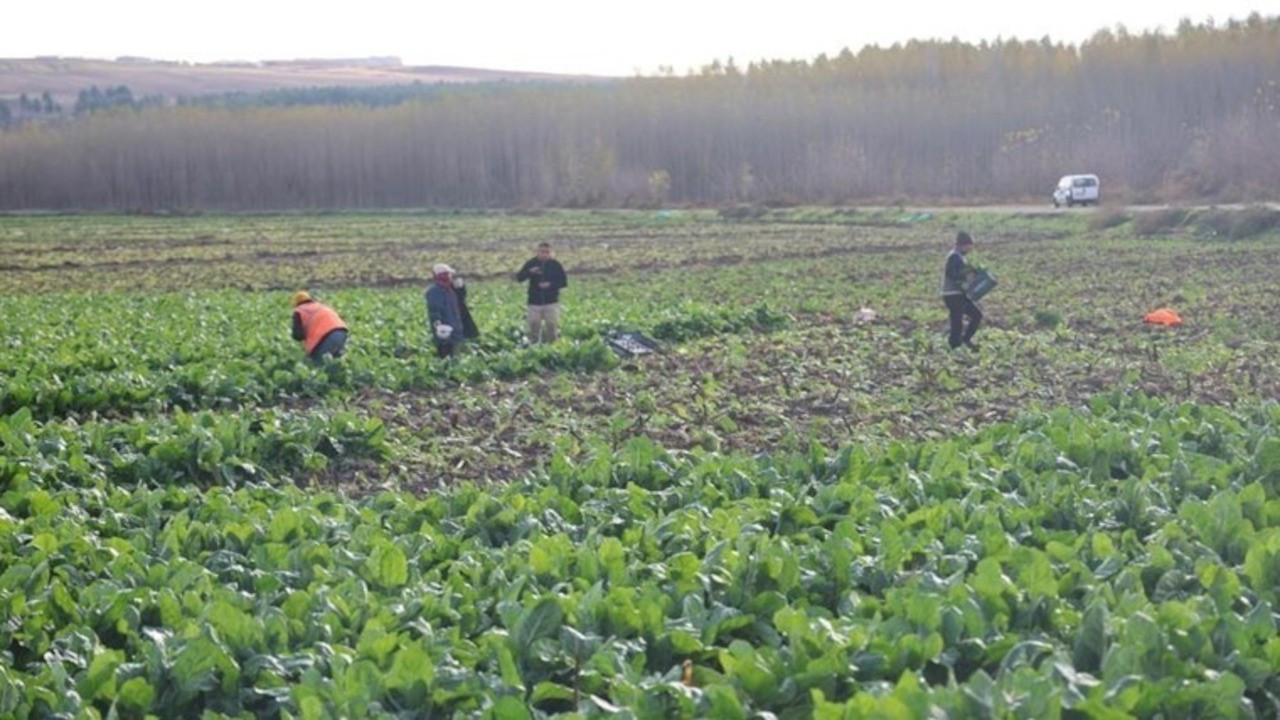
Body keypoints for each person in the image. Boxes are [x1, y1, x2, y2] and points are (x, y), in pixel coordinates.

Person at [515, 242, 568, 344]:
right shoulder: (531, 263)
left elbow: (563, 282)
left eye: (547, 252)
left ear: (551, 253)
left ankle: (553, 349)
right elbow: (519, 278)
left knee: (552, 327)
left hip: (551, 301)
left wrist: (550, 285)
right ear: (538, 252)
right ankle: (534, 349)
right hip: (534, 302)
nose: (544, 254)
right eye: (542, 252)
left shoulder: (556, 265)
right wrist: (530, 272)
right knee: (534, 327)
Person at [941, 231, 983, 350]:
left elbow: (962, 272)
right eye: (969, 246)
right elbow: (951, 274)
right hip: (952, 294)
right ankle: (955, 345)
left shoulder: (960, 257)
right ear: (962, 244)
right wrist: (965, 277)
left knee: (976, 315)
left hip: (960, 294)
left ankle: (965, 340)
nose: (970, 249)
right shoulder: (954, 256)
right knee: (957, 320)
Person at [291, 291, 348, 363]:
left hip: (326, 337)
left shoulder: (299, 311)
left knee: (318, 364)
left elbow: (297, 334)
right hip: (342, 332)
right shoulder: (320, 305)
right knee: (336, 363)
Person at [425, 263, 465, 358]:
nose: (451, 277)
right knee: (445, 355)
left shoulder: (451, 289)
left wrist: (461, 288)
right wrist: (438, 324)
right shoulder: (434, 292)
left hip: (456, 330)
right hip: (445, 332)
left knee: (455, 356)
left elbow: (461, 299)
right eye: (449, 275)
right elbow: (434, 310)